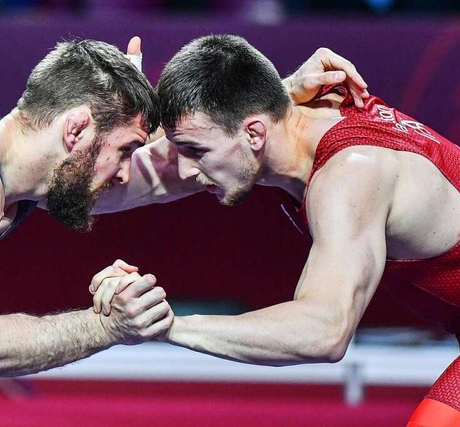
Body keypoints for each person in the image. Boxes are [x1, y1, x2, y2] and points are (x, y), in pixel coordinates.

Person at [0, 35, 365, 380]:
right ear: (77, 128)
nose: (128, 170)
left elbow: (170, 172)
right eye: (124, 150)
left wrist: (276, 97)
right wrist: (109, 328)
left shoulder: (13, 167)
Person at [91, 35, 460, 425]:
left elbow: (324, 331)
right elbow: (110, 188)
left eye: (196, 152)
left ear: (254, 134)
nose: (185, 171)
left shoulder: (350, 172)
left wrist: (165, 325)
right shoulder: (286, 117)